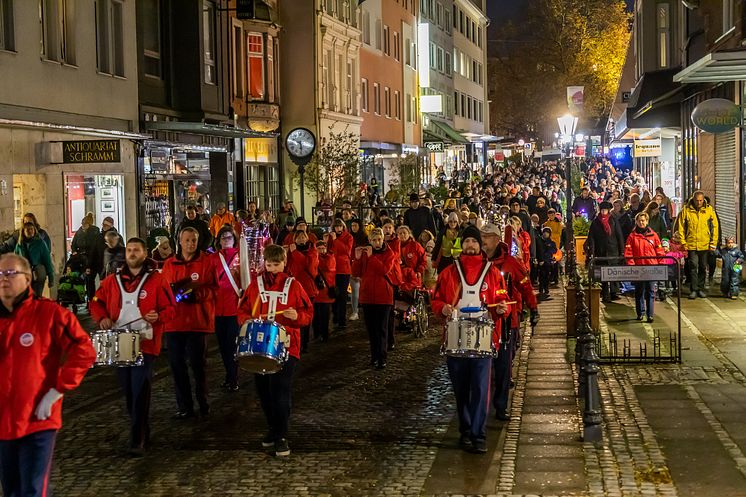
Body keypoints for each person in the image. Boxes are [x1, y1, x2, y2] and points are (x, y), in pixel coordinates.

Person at [0, 253, 96, 495]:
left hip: (38, 419)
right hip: (2, 422)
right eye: (0, 274)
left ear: (28, 278)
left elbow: (83, 349)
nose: (4, 279)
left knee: (33, 489)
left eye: (11, 274)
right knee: (12, 490)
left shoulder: (50, 314)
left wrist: (58, 388)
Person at [89, 238, 176, 455]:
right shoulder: (112, 280)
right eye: (129, 250)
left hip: (145, 344)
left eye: (136, 250)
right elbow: (96, 302)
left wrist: (159, 316)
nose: (132, 253)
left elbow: (171, 308)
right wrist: (101, 318)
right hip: (120, 343)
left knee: (140, 390)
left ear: (145, 253)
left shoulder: (157, 280)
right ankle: (142, 426)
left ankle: (137, 439)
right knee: (128, 391)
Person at [431, 225, 509, 453]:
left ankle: (478, 434)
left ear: (480, 245)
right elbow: (436, 299)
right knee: (461, 389)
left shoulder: (492, 272)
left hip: (483, 339)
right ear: (462, 245)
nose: (471, 245)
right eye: (467, 242)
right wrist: (442, 308)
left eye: (474, 242)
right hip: (455, 339)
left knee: (481, 389)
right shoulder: (448, 272)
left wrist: (503, 308)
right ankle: (465, 430)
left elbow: (502, 296)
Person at [237, 244, 313, 457]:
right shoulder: (255, 285)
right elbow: (242, 309)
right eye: (269, 264)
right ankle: (273, 427)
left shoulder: (294, 286)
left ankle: (281, 435)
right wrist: (246, 320)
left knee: (280, 390)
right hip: (258, 347)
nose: (272, 269)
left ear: (284, 263)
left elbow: (307, 312)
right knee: (263, 391)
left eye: (276, 264)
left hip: (287, 346)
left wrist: (296, 316)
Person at [480, 222, 538, 422]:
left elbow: (525, 285)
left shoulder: (511, 263)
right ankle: (482, 404)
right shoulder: (477, 262)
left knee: (503, 366)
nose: (483, 241)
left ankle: (501, 405)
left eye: (486, 237)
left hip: (506, 322)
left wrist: (534, 307)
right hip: (481, 321)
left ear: (496, 240)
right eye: (481, 237)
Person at [161, 227, 217, 419]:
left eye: (194, 240)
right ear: (180, 241)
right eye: (187, 240)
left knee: (198, 365)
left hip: (197, 321)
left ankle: (203, 402)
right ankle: (184, 406)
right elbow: (164, 291)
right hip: (174, 323)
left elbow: (214, 289)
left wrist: (197, 295)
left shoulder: (207, 262)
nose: (191, 244)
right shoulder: (170, 264)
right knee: (177, 366)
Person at [352, 228, 401, 369]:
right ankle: (374, 356)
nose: (377, 242)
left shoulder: (389, 253)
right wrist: (357, 258)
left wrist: (372, 257)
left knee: (382, 329)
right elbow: (356, 273)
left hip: (384, 297)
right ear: (370, 241)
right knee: (371, 329)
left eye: (379, 239)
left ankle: (382, 358)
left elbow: (384, 270)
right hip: (367, 296)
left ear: (382, 239)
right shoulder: (365, 254)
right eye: (374, 240)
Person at [211, 226, 242, 392]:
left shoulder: (240, 256)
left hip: (233, 308)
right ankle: (229, 375)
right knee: (223, 346)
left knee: (232, 344)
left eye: (229, 237)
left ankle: (233, 377)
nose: (226, 240)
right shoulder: (213, 258)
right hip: (218, 309)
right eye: (223, 238)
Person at [677, 191, 719, 299]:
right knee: (693, 266)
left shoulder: (709, 210)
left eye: (701, 200)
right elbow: (681, 227)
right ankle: (694, 289)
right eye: (697, 200)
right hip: (691, 244)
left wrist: (713, 243)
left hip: (704, 244)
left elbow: (715, 227)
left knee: (702, 266)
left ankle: (700, 288)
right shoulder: (686, 210)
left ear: (703, 199)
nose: (699, 202)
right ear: (693, 199)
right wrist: (683, 242)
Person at [625, 212, 665, 322]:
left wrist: (661, 266)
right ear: (636, 222)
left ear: (647, 221)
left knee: (651, 292)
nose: (641, 222)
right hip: (639, 269)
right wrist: (632, 266)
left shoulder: (654, 235)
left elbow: (659, 251)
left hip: (652, 268)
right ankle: (640, 313)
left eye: (643, 220)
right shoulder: (632, 236)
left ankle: (650, 314)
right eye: (639, 220)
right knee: (639, 292)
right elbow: (629, 253)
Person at [286, 230, 319, 353]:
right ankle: (297, 341)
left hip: (308, 289)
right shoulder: (291, 251)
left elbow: (309, 266)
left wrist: (295, 252)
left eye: (303, 237)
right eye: (298, 237)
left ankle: (304, 342)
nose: (301, 239)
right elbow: (287, 267)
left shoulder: (312, 251)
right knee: (294, 316)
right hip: (294, 289)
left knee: (304, 316)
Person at [585, 202, 625, 302]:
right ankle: (605, 293)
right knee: (603, 273)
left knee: (613, 271)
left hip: (613, 250)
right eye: (602, 210)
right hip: (601, 251)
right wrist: (592, 251)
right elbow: (592, 238)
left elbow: (619, 236)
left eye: (605, 210)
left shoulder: (613, 220)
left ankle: (614, 292)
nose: (603, 212)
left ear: (608, 211)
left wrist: (622, 251)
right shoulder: (595, 222)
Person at [13, 222, 55, 297]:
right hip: (24, 274)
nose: (30, 231)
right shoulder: (19, 245)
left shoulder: (40, 243)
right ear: (23, 232)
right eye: (27, 230)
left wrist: (51, 276)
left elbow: (47, 260)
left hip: (37, 273)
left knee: (36, 295)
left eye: (32, 229)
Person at [328, 219, 353, 329]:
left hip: (343, 270)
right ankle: (336, 316)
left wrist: (336, 241)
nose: (338, 229)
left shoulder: (348, 237)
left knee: (342, 295)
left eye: (340, 226)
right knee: (334, 294)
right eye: (336, 227)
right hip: (332, 269)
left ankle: (342, 319)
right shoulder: (331, 237)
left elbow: (347, 250)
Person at [71, 213, 101, 301]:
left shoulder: (94, 232)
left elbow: (94, 247)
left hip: (91, 259)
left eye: (85, 224)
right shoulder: (79, 232)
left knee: (90, 279)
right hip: (81, 259)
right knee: (85, 279)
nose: (83, 226)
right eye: (82, 224)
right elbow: (74, 244)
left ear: (89, 224)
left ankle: (91, 299)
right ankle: (87, 297)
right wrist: (74, 252)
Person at [314, 240, 336, 342]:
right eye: (319, 249)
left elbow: (328, 267)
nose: (321, 250)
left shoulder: (330, 257)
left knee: (325, 315)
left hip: (326, 291)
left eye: (323, 248)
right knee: (316, 315)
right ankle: (317, 333)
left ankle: (324, 334)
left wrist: (316, 258)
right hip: (317, 291)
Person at [537, 227, 558, 297]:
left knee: (547, 275)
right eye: (544, 232)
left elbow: (554, 250)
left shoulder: (551, 243)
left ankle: (546, 288)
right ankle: (541, 288)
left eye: (547, 233)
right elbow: (538, 251)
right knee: (541, 275)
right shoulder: (539, 241)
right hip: (541, 261)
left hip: (548, 261)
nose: (546, 234)